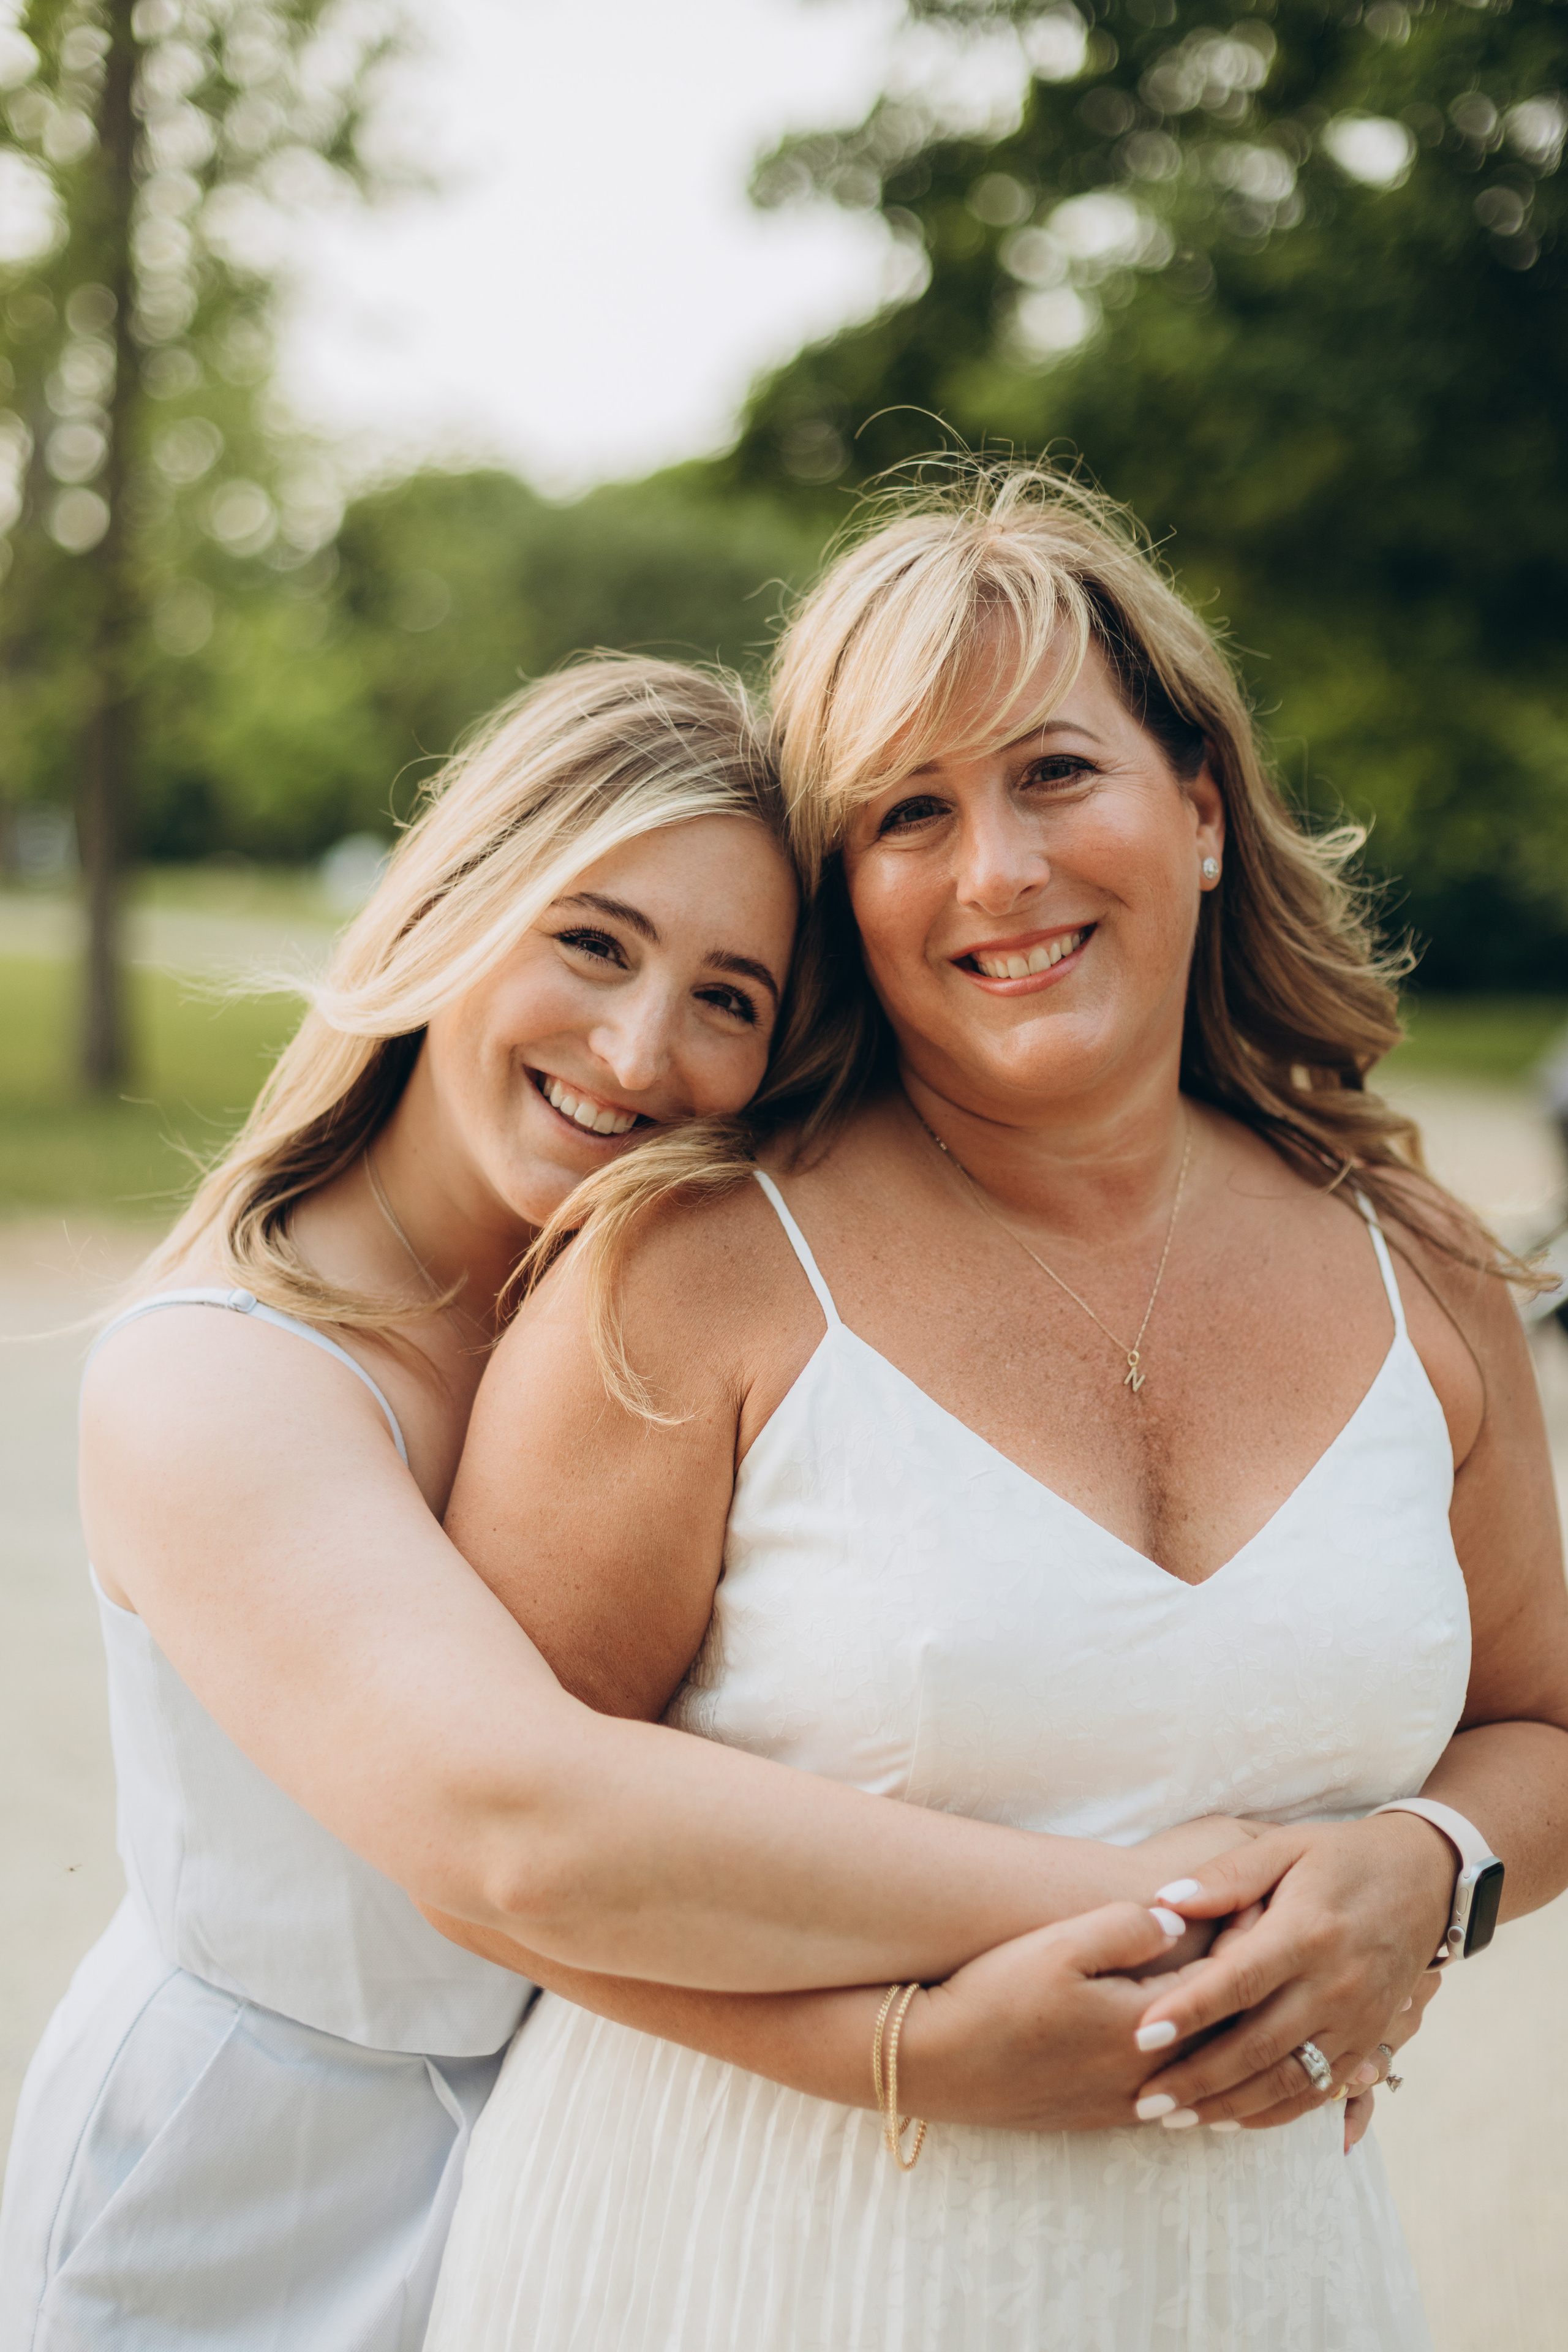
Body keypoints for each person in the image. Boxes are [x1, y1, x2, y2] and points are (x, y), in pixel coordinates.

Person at [1, 653, 1280, 2352]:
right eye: (592, 943)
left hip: (583, 2191)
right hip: (242, 2208)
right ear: (455, 906)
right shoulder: (222, 1374)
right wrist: (1159, 1909)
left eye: (729, 998)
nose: (638, 1049)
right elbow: (520, 1819)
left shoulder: (662, 1333)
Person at [422, 473, 1568, 2352]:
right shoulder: (694, 1269)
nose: (1000, 875)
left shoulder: (1417, 1269)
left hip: (1256, 2285)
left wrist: (1428, 1875)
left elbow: (1543, 1723)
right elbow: (496, 1861)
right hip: (739, 2263)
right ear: (844, 894)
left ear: (1198, 810)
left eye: (1053, 775)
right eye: (909, 816)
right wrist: (898, 2052)